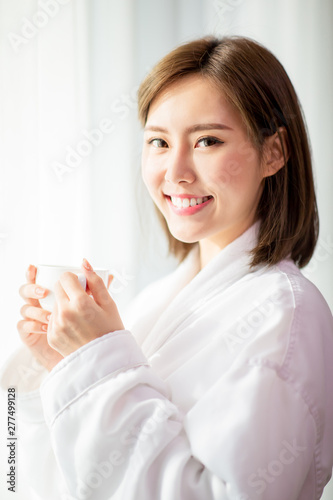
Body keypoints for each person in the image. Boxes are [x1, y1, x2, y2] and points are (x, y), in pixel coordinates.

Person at [1, 36, 333, 500]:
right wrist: (63, 366)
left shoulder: (285, 315)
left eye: (207, 141)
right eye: (158, 141)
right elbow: (31, 481)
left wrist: (99, 360)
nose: (175, 171)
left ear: (274, 152)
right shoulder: (154, 303)